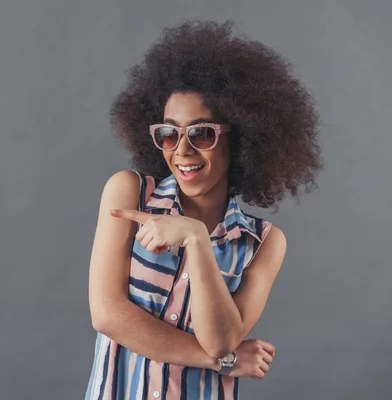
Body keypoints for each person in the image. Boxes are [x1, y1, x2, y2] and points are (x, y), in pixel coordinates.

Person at [85, 20, 322, 400]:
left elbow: (222, 340)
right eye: (169, 133)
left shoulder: (263, 243)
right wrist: (223, 363)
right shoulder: (129, 194)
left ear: (241, 137)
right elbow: (108, 315)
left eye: (202, 133)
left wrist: (196, 239)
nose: (182, 150)